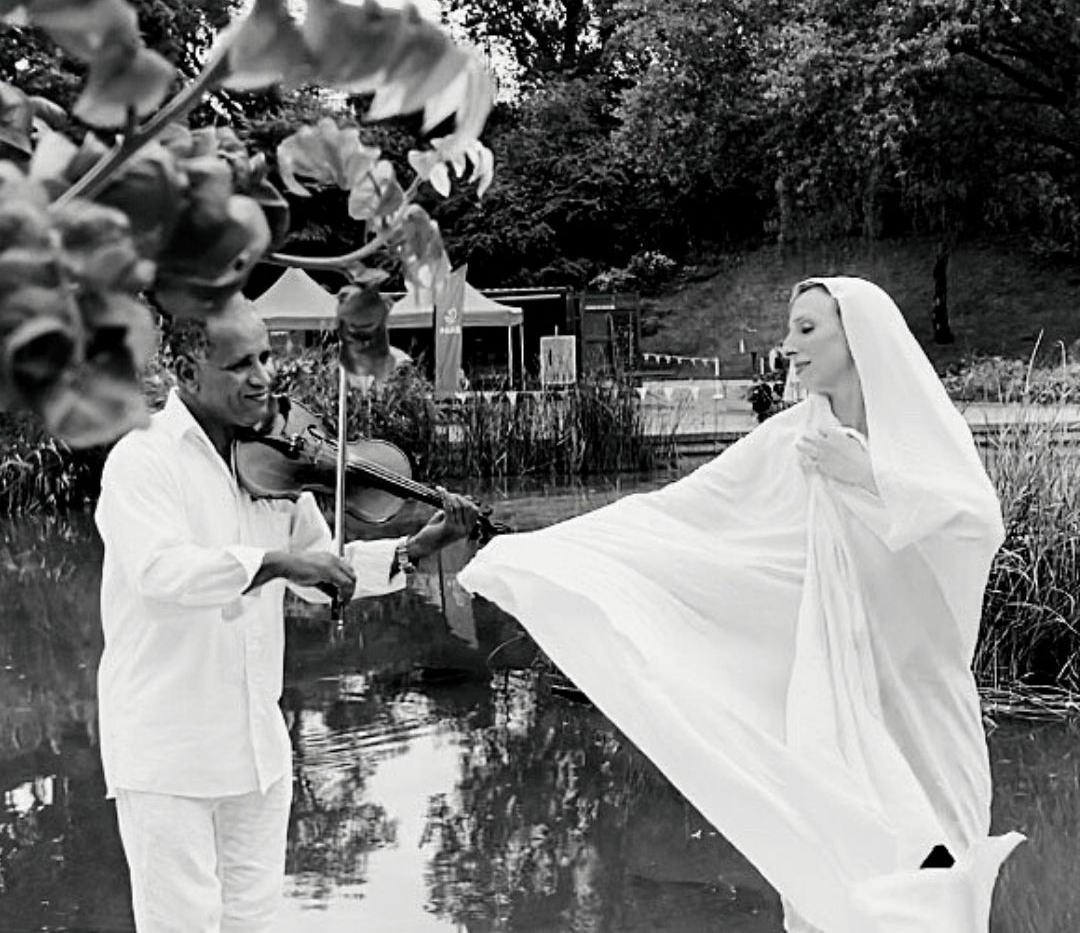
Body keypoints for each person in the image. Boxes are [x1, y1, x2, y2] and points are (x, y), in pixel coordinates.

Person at [458, 276, 1022, 932]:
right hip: (834, 717)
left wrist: (866, 475)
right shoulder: (790, 441)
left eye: (807, 329)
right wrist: (528, 553)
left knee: (942, 888)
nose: (788, 346)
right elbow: (682, 519)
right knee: (836, 886)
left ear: (859, 336)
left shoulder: (918, 432)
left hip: (924, 712)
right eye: (790, 329)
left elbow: (976, 524)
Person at [95, 295, 479, 933]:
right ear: (188, 372)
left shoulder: (275, 461)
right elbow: (161, 573)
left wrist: (417, 547)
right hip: (168, 753)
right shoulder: (141, 460)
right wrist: (273, 562)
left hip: (256, 749)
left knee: (255, 924)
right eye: (241, 363)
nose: (262, 377)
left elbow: (323, 569)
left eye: (267, 357)